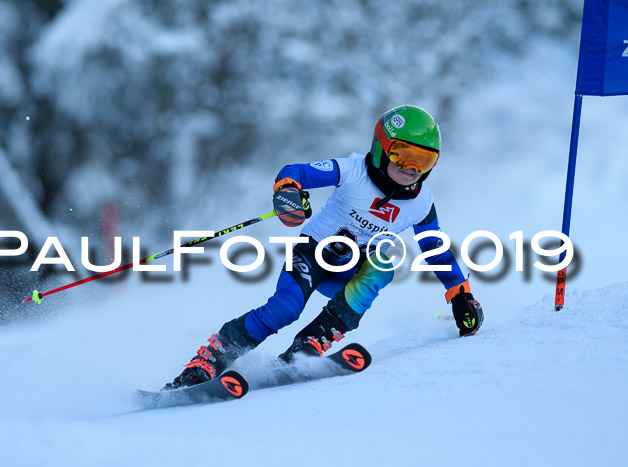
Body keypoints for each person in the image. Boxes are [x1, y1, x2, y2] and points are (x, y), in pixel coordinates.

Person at [165, 105, 484, 389]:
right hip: (313, 254)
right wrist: (288, 191)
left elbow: (436, 250)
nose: (412, 169)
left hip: (352, 269)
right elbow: (296, 172)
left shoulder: (420, 203)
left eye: (424, 161)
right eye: (403, 155)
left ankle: (308, 347)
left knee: (384, 267)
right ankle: (207, 361)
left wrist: (460, 294)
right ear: (381, 149)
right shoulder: (353, 171)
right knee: (285, 310)